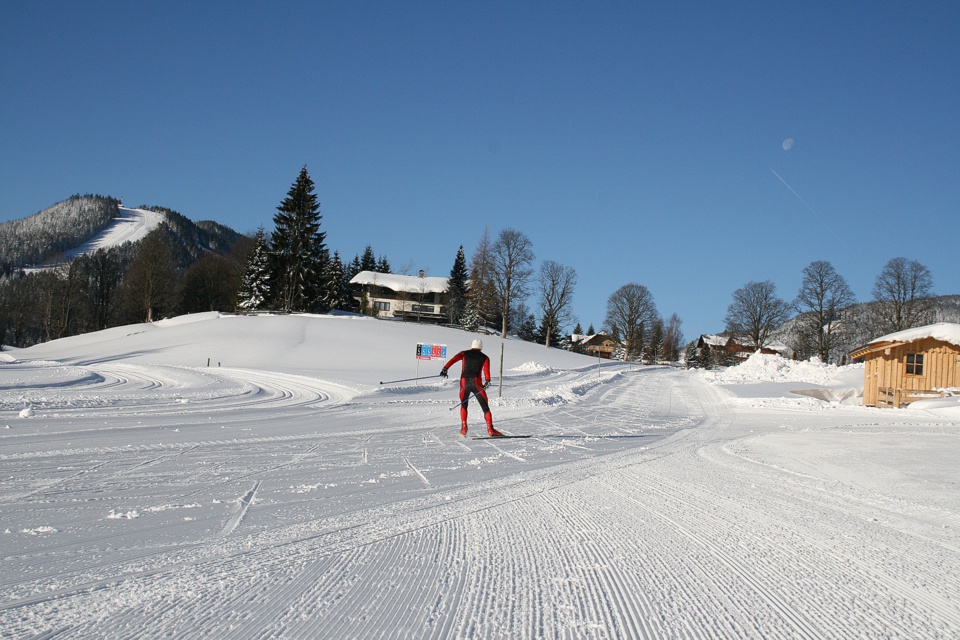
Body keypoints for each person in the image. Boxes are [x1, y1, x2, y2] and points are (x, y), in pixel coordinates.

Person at [440, 339, 503, 437]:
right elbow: (486, 371)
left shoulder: (464, 353)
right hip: (477, 383)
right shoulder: (485, 357)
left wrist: (445, 369)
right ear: (481, 347)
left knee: (464, 405)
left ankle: (464, 428)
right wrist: (487, 381)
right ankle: (491, 430)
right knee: (485, 407)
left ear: (472, 345)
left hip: (464, 383)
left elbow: (453, 360)